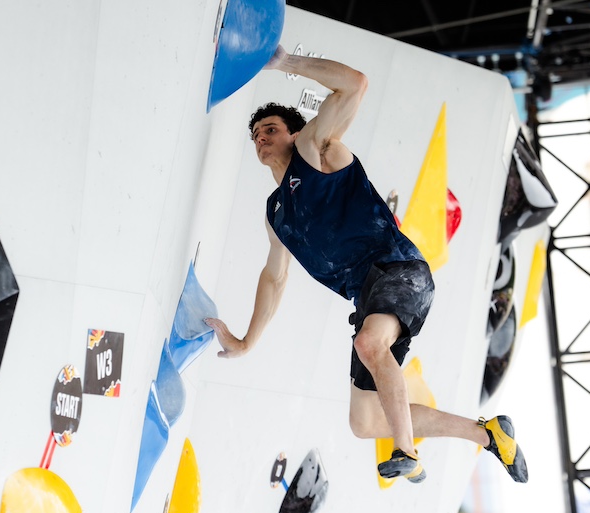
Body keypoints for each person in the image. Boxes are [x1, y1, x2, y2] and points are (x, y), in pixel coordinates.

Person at [206, 46, 527, 484]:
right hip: (370, 293)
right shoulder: (277, 212)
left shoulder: (316, 150)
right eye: (256, 134)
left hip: (399, 270)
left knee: (370, 347)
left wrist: (286, 64)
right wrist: (246, 341)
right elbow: (274, 277)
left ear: (294, 132)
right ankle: (488, 435)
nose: (261, 137)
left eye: (270, 128)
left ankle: (407, 452)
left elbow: (355, 84)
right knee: (364, 421)